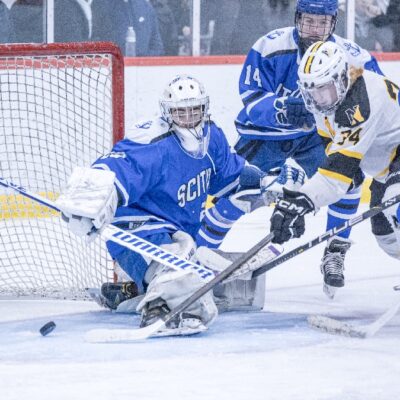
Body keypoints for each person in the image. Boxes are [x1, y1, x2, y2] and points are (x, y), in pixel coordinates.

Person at [55, 75, 302, 336]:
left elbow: (231, 175)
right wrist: (90, 198)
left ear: (204, 109)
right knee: (176, 266)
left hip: (177, 229)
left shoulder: (211, 137)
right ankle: (158, 309)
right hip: (137, 228)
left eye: (195, 110)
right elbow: (118, 166)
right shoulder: (155, 141)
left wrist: (266, 183)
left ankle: (133, 292)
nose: (189, 117)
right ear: (167, 112)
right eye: (181, 112)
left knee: (194, 261)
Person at [197, 0, 384, 299]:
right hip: (267, 137)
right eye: (309, 21)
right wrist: (281, 109)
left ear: (333, 23)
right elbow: (251, 97)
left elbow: (373, 99)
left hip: (317, 138)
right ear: (297, 18)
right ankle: (197, 255)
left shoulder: (354, 57)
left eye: (322, 23)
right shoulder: (269, 46)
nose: (315, 29)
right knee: (235, 190)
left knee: (349, 181)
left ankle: (335, 249)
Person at [270, 40, 400, 274]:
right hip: (388, 168)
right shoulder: (326, 103)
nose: (317, 98)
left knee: (396, 205)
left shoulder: (362, 100)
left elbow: (336, 175)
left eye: (323, 89)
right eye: (311, 91)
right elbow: (345, 173)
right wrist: (299, 202)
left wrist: (303, 201)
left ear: (341, 78)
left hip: (395, 160)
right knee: (387, 235)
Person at [91, 0, 164, 56]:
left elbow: (157, 47)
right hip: (112, 70)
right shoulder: (101, 5)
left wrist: (141, 61)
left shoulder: (146, 7)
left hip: (143, 71)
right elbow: (94, 43)